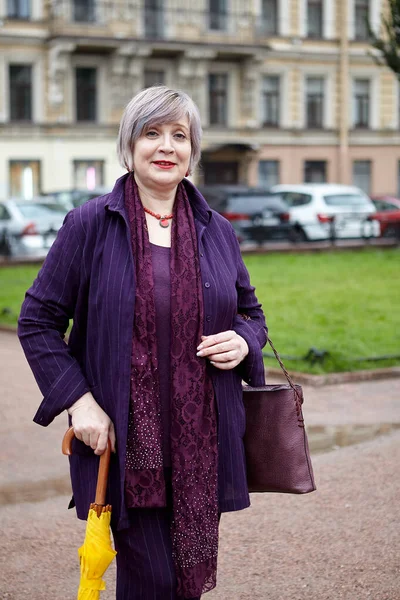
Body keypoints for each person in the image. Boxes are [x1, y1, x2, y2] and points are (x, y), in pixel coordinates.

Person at [18, 86, 267, 600]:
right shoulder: (90, 224)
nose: (166, 146)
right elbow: (38, 320)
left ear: (193, 151)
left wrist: (243, 341)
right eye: (152, 133)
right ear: (129, 145)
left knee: (183, 586)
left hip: (202, 442)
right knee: (153, 582)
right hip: (128, 443)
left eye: (179, 135)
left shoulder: (215, 230)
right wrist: (79, 403)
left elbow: (252, 313)